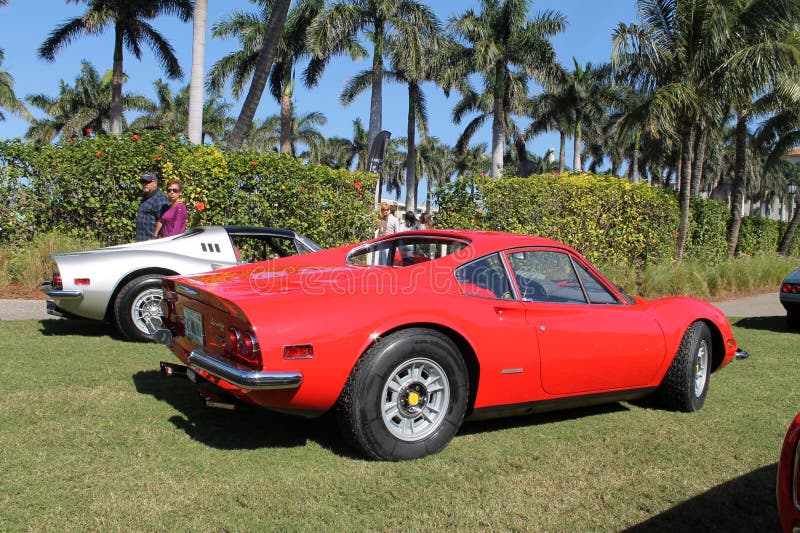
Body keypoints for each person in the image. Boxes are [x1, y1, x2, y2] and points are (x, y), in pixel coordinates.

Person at [135, 172, 170, 241]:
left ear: (155, 183)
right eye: (143, 181)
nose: (144, 184)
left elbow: (163, 221)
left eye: (147, 182)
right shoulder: (144, 197)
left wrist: (154, 237)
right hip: (141, 240)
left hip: (152, 243)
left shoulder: (160, 199)